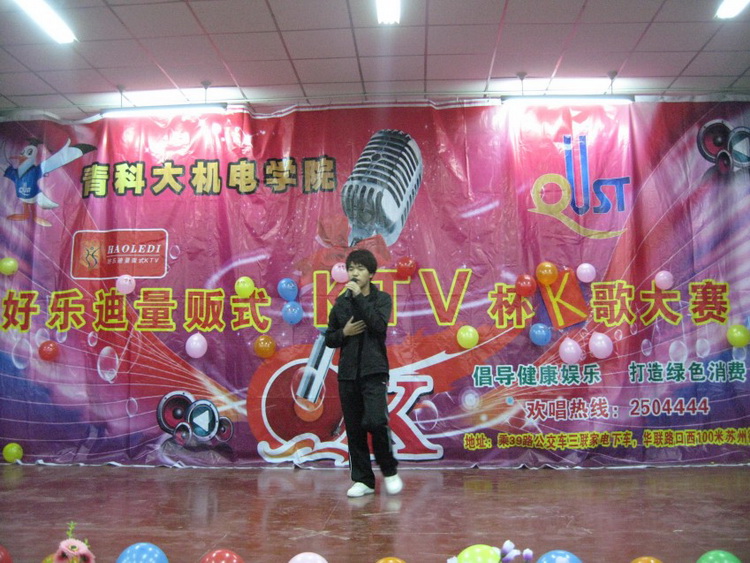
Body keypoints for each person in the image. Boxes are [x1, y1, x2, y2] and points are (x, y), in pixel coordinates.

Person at [324, 249, 403, 498]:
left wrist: (359, 297)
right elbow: (330, 338)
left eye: (360, 269)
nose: (354, 273)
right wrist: (344, 333)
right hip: (348, 374)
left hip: (374, 371)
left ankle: (389, 470)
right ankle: (363, 480)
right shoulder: (341, 303)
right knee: (355, 428)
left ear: (371, 273)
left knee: (376, 421)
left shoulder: (382, 299)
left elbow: (378, 326)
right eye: (351, 269)